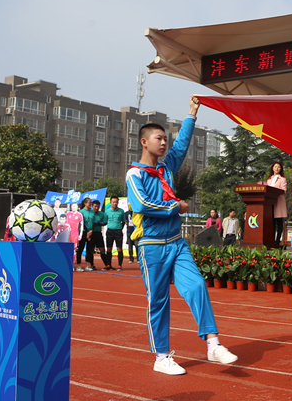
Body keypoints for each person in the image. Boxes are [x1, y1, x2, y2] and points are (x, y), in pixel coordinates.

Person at [126, 96, 237, 375]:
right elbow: (141, 205)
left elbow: (182, 146)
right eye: (158, 138)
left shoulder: (166, 168)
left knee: (197, 286)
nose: (164, 143)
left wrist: (191, 114)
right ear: (144, 142)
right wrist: (175, 206)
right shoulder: (135, 175)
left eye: (165, 139)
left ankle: (213, 343)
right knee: (159, 301)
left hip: (177, 243)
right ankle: (161, 356)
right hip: (151, 246)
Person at [266, 161, 288, 244]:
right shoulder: (269, 179)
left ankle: (277, 241)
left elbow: (284, 190)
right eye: (275, 166)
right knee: (271, 222)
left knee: (279, 222)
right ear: (272, 168)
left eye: (278, 167)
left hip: (278, 202)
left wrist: (274, 191)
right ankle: (270, 240)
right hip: (270, 202)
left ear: (281, 169)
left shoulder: (282, 179)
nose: (277, 168)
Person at [87, 200, 111, 270]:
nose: (96, 208)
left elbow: (105, 222)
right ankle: (91, 265)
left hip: (98, 233)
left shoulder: (102, 214)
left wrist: (98, 223)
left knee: (102, 249)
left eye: (98, 206)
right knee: (91, 250)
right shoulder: (90, 213)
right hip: (91, 233)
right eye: (95, 206)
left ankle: (107, 265)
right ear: (92, 206)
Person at [105, 196, 127, 270]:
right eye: (113, 202)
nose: (115, 203)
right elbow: (105, 221)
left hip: (118, 232)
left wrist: (120, 228)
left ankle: (119, 265)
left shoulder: (121, 211)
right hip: (109, 231)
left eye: (116, 202)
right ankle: (108, 265)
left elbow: (123, 221)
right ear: (110, 202)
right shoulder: (107, 211)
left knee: (119, 249)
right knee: (108, 249)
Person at [75, 197, 93, 271]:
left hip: (91, 232)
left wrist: (91, 231)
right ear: (85, 203)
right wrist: (87, 231)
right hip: (83, 232)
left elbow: (94, 222)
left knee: (89, 250)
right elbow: (81, 223)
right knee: (80, 249)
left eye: (91, 203)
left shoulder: (92, 212)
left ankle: (87, 265)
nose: (90, 204)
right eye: (89, 202)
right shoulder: (81, 212)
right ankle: (78, 265)